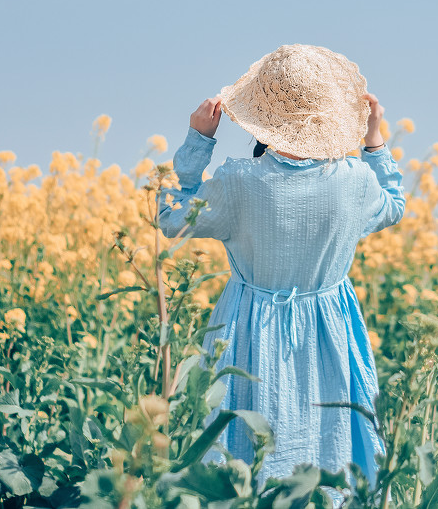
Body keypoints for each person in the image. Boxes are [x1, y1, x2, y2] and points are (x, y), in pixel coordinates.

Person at [157, 44, 406, 500]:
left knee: (244, 446)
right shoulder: (353, 182)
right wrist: (375, 141)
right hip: (331, 330)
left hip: (249, 328)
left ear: (262, 116)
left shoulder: (240, 182)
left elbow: (171, 215)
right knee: (329, 442)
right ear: (332, 115)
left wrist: (198, 141)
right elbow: (393, 207)